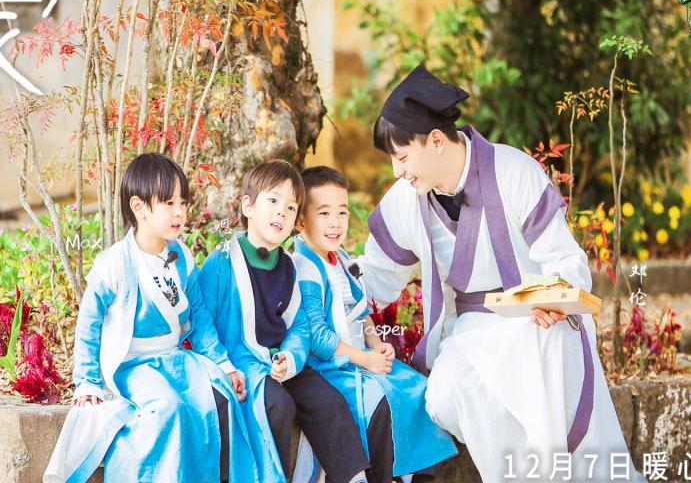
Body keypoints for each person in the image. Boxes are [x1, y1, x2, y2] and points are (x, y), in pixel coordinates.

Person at [357, 65, 644, 482]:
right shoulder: (405, 199)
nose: (397, 171)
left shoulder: (513, 170)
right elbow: (372, 277)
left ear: (435, 141)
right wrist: (319, 284)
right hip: (471, 331)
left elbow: (565, 260)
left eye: (402, 158)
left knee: (545, 361)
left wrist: (553, 298)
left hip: (536, 322)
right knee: (446, 393)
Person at [44, 152, 256, 483]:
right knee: (168, 407)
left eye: (182, 203)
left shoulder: (182, 256)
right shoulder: (114, 263)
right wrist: (87, 381)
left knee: (217, 397)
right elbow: (89, 323)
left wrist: (224, 364)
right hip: (132, 365)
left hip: (175, 359)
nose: (179, 212)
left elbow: (199, 317)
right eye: (169, 203)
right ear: (139, 207)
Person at [199, 160, 372, 483]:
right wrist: (223, 364)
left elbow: (299, 327)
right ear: (248, 206)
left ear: (295, 222)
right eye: (273, 201)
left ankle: (354, 478)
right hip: (241, 362)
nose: (282, 211)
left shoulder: (289, 267)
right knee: (276, 406)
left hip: (281, 362)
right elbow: (202, 321)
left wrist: (290, 358)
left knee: (328, 401)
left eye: (291, 207)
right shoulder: (222, 261)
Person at [292, 165, 459, 483]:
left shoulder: (340, 258)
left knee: (420, 390)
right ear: (301, 221)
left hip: (360, 358)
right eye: (324, 213)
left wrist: (376, 344)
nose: (335, 222)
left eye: (342, 212)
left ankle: (416, 477)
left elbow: (361, 310)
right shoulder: (305, 268)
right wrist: (364, 359)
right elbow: (317, 336)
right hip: (331, 366)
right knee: (380, 402)